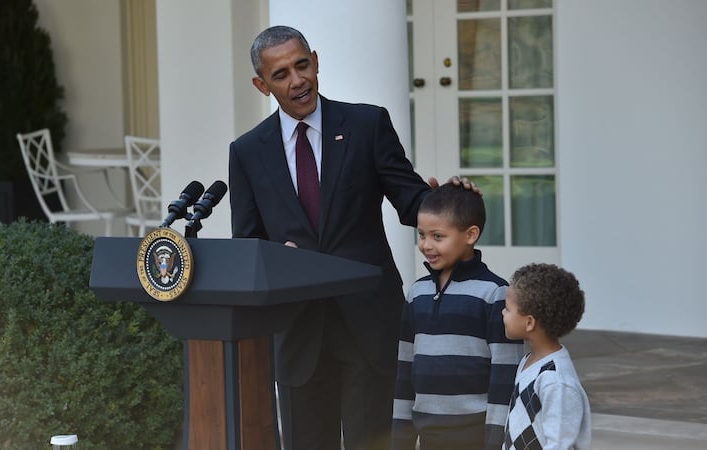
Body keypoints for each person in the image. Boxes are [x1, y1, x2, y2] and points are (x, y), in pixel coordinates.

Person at [229, 25, 474, 450]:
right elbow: (248, 244)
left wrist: (450, 205)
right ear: (261, 85)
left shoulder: (366, 124)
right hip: (298, 333)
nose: (297, 80)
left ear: (316, 62)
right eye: (281, 74)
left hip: (370, 323)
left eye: (302, 65)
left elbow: (410, 198)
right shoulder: (247, 151)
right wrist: (274, 257)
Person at [391, 183, 524, 450]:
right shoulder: (417, 293)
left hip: (475, 435)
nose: (426, 245)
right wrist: (400, 438)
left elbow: (505, 373)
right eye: (422, 235)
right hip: (427, 433)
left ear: (470, 234)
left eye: (438, 236)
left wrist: (495, 440)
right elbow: (405, 369)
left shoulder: (494, 293)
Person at [501, 263, 591, 450]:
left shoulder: (556, 382)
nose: (503, 313)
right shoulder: (528, 361)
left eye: (507, 309)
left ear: (529, 322)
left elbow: (559, 444)